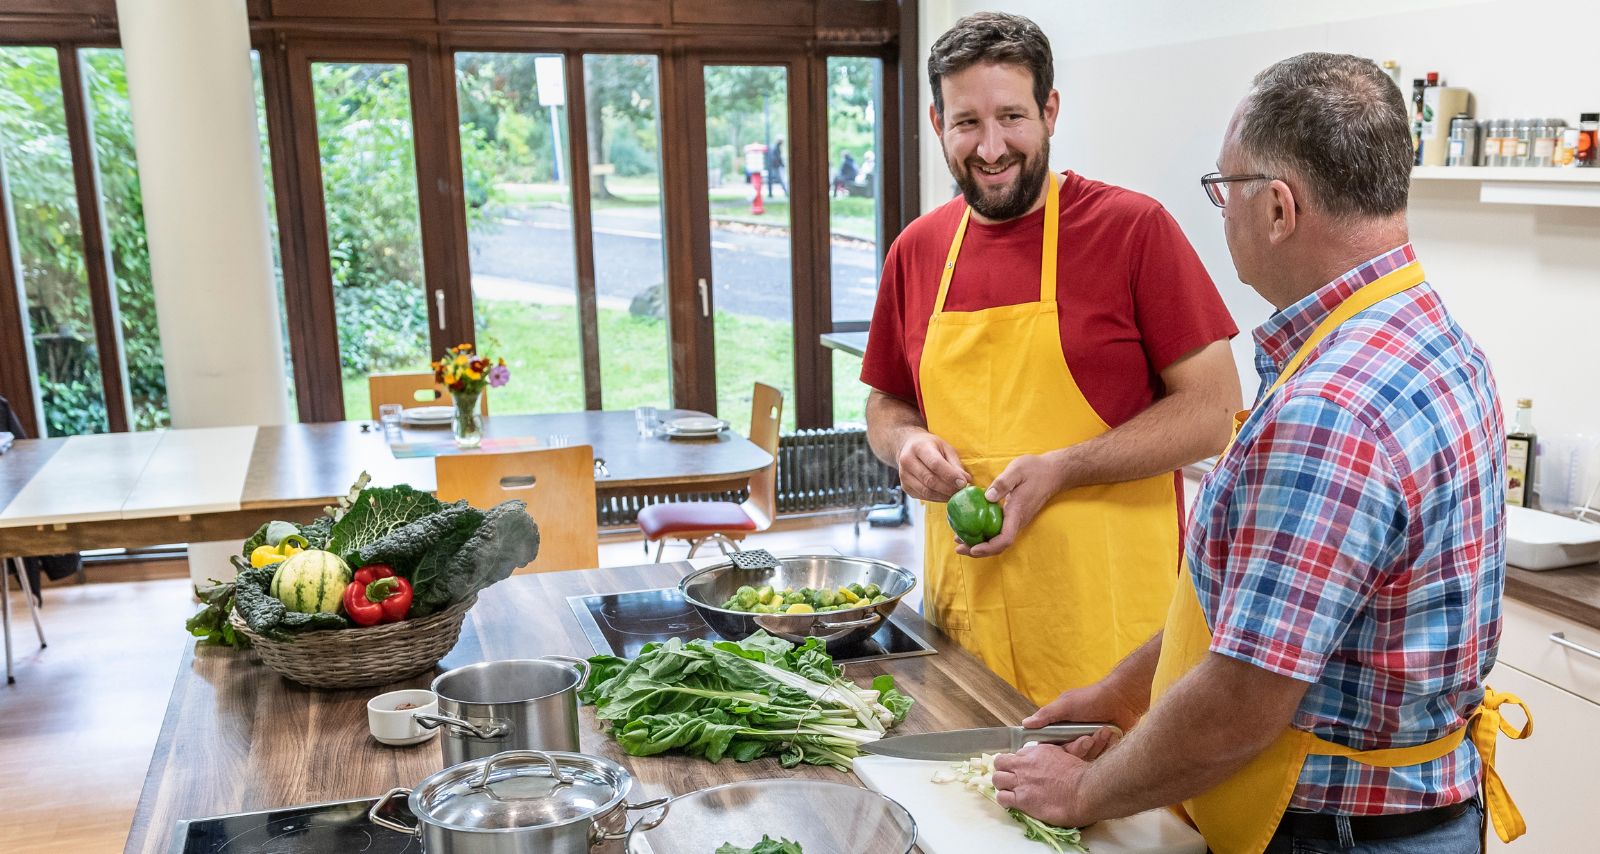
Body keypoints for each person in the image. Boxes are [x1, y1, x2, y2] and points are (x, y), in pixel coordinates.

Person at [993, 53, 1529, 852]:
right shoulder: (1433, 338)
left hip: (1339, 833)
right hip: (1418, 813)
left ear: (1278, 207)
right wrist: (1122, 692)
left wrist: (1083, 791)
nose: (1221, 211)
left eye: (1224, 189)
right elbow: (1261, 612)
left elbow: (1242, 699)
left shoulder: (1330, 411)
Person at [861, 12, 1240, 704]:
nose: (991, 146)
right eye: (966, 122)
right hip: (963, 633)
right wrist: (904, 442)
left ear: (1051, 110)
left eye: (1011, 116)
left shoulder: (1132, 230)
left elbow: (1213, 413)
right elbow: (885, 402)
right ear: (935, 119)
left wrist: (1065, 468)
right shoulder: (916, 251)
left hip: (1108, 644)